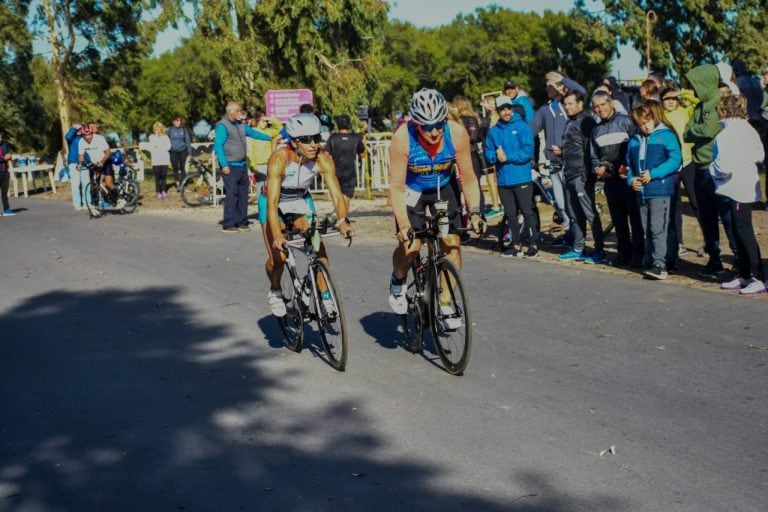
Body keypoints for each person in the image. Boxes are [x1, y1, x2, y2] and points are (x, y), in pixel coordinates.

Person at [387, 88, 486, 328]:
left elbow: (469, 178)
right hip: (413, 191)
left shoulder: (457, 133)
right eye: (427, 126)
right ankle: (398, 279)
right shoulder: (402, 138)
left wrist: (475, 212)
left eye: (438, 125)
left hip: (444, 186)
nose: (434, 132)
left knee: (452, 243)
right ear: (416, 124)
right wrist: (404, 224)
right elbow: (396, 187)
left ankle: (444, 301)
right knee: (411, 245)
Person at [260, 113, 353, 316]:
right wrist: (277, 235)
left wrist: (343, 221)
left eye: (316, 138)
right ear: (294, 142)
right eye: (305, 140)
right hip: (273, 202)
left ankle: (325, 297)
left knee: (318, 248)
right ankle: (275, 290)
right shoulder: (279, 159)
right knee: (279, 258)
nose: (313, 144)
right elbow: (273, 203)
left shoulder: (323, 159)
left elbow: (337, 196)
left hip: (300, 199)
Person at [683, 63, 737, 276]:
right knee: (706, 217)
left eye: (696, 84)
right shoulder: (699, 107)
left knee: (727, 216)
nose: (694, 89)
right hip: (699, 167)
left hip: (717, 169)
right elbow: (687, 133)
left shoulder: (718, 104)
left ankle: (739, 260)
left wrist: (695, 130)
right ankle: (714, 258)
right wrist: (696, 130)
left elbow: (708, 129)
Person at [710, 95, 766, 294]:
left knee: (743, 230)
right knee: (738, 229)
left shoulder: (725, 135)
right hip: (746, 184)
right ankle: (744, 274)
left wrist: (712, 170)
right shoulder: (749, 130)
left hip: (735, 187)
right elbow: (760, 155)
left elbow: (722, 166)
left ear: (723, 112)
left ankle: (758, 276)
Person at [626, 100, 682, 280]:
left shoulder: (666, 135)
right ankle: (651, 258)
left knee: (658, 227)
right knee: (646, 228)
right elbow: (629, 165)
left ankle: (661, 262)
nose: (645, 127)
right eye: (641, 124)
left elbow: (675, 160)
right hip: (641, 191)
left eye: (647, 122)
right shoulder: (634, 140)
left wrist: (654, 173)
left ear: (654, 117)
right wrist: (631, 180)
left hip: (660, 189)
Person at [532, 71, 587, 241]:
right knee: (561, 204)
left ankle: (577, 236)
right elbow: (531, 129)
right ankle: (569, 233)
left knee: (573, 203)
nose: (547, 88)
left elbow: (582, 92)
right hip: (555, 164)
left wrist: (562, 79)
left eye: (551, 85)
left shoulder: (569, 105)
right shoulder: (545, 109)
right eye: (546, 85)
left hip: (571, 163)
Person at [590, 90, 643, 266]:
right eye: (596, 107)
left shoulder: (626, 121)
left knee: (635, 220)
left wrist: (628, 167)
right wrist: (597, 168)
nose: (600, 109)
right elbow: (593, 156)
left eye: (603, 105)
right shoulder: (595, 130)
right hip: (610, 180)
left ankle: (639, 255)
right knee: (619, 221)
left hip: (628, 177)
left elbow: (637, 144)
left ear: (611, 103)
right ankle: (624, 255)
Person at [484, 95, 537, 257]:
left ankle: (533, 244)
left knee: (527, 212)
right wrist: (495, 157)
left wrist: (507, 156)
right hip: (503, 180)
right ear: (498, 111)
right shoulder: (493, 131)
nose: (506, 112)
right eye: (502, 109)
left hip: (521, 178)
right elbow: (488, 153)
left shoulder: (522, 127)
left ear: (512, 108)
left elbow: (528, 152)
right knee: (511, 214)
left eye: (508, 108)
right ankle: (515, 244)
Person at [559, 89, 605, 263]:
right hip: (569, 172)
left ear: (580, 104)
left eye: (571, 103)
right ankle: (578, 248)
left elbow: (591, 148)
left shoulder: (586, 121)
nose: (567, 107)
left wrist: (587, 172)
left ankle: (600, 251)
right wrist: (561, 152)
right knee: (574, 213)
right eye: (566, 104)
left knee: (589, 212)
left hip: (581, 174)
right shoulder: (570, 121)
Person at [213, 102, 272, 233]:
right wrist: (224, 165)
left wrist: (271, 138)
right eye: (238, 111)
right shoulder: (222, 126)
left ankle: (241, 221)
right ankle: (229, 223)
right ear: (231, 112)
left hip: (241, 165)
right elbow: (218, 146)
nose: (241, 113)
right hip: (230, 165)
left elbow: (254, 133)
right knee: (232, 194)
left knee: (243, 194)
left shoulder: (241, 125)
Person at [661, 87, 701, 256]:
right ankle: (679, 243)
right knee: (674, 205)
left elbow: (697, 102)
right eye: (666, 98)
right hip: (671, 165)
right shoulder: (660, 116)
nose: (670, 101)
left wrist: (682, 93)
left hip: (688, 162)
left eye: (673, 98)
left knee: (696, 201)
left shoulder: (685, 111)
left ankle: (709, 242)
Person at [326, 114, 365, 213]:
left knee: (338, 196)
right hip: (349, 172)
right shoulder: (356, 138)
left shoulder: (332, 138)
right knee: (347, 197)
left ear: (338, 125)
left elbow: (327, 154)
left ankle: (338, 216)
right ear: (349, 124)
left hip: (335, 171)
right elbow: (363, 154)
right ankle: (342, 219)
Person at [247, 109, 282, 198]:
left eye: (266, 121)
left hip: (270, 163)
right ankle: (262, 210)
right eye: (263, 121)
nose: (265, 123)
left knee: (271, 188)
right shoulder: (252, 131)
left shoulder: (270, 131)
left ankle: (270, 209)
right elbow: (249, 150)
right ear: (258, 121)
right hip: (258, 165)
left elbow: (280, 129)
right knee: (261, 189)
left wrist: (270, 118)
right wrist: (252, 166)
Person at [77, 123, 114, 207]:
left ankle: (118, 197)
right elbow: (81, 155)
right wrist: (79, 164)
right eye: (85, 135)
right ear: (82, 135)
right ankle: (97, 204)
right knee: (95, 185)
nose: (88, 137)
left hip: (105, 160)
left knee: (108, 183)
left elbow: (108, 152)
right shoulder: (81, 142)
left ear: (92, 133)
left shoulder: (99, 139)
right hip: (95, 164)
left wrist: (102, 161)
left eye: (89, 134)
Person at [64, 124, 88, 210]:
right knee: (76, 184)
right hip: (74, 162)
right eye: (80, 128)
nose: (81, 129)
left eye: (82, 128)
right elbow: (67, 137)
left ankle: (87, 203)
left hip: (85, 163)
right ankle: (77, 204)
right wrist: (74, 128)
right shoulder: (72, 138)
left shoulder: (84, 137)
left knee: (86, 183)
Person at [168, 115, 192, 192]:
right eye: (177, 121)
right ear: (173, 122)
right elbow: (165, 140)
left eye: (179, 121)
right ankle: (177, 185)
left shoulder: (184, 130)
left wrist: (190, 153)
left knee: (182, 168)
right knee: (175, 168)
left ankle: (183, 185)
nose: (179, 122)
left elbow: (188, 142)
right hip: (173, 152)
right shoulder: (170, 130)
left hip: (183, 151)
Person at [149, 121, 171, 199]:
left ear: (161, 129)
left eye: (159, 128)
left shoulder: (166, 137)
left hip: (164, 159)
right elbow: (154, 145)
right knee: (157, 176)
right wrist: (161, 146)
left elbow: (168, 147)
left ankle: (164, 191)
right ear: (154, 129)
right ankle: (158, 191)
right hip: (156, 160)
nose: (158, 130)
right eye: (156, 128)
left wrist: (160, 147)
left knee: (163, 176)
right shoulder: (152, 137)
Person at [0, 130, 13, 216]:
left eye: (0, 137)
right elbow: (4, 158)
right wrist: (3, 159)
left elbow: (9, 153)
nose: (0, 138)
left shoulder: (5, 144)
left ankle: (6, 209)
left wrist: (9, 156)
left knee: (4, 192)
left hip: (4, 171)